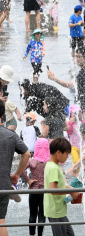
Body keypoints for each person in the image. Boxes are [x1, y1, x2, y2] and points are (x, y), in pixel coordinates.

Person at [0, 100, 31, 236]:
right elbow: (27, 153)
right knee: (1, 222)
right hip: (4, 184)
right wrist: (17, 174)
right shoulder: (10, 135)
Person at [47, 46, 85, 126]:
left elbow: (70, 85)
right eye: (76, 56)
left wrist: (54, 79)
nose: (77, 59)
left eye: (79, 57)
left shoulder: (83, 72)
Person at [44, 138, 77, 236]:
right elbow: (53, 190)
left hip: (59, 209)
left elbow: (57, 186)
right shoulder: (54, 168)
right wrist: (70, 191)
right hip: (56, 210)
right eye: (67, 153)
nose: (68, 156)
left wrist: (70, 189)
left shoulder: (51, 165)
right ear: (58, 152)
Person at [20, 137, 48, 236]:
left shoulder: (32, 161)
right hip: (45, 191)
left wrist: (28, 180)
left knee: (32, 214)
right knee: (42, 215)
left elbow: (21, 169)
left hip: (34, 190)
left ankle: (31, 235)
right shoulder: (49, 162)